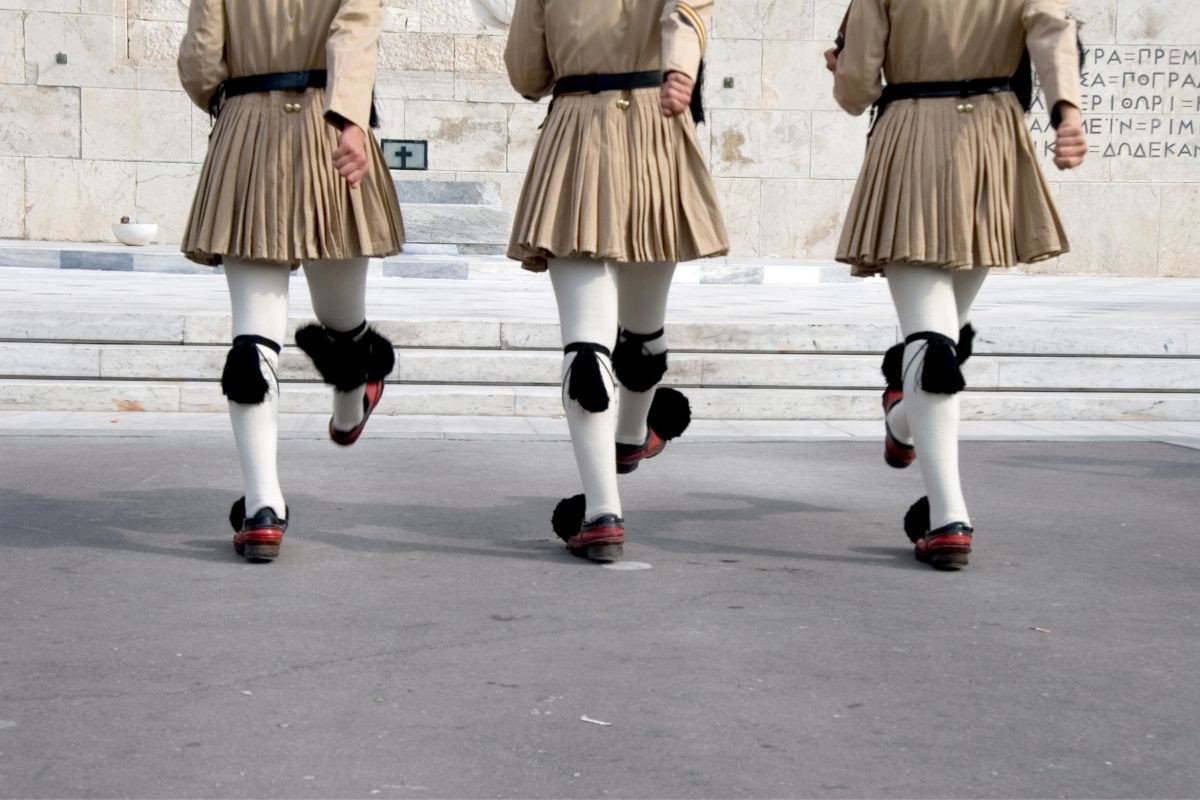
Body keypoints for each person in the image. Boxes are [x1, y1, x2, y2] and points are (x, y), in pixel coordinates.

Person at [826, 0, 1088, 570]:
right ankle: (916, 449)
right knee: (937, 340)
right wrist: (1067, 112)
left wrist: (843, 66)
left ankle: (945, 517)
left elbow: (855, 91)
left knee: (932, 343)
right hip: (991, 143)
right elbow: (1051, 32)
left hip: (913, 137)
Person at [178, 0, 405, 562]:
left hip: (246, 135)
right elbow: (354, 34)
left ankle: (262, 508)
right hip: (333, 133)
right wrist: (350, 116)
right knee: (343, 322)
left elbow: (201, 59)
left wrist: (232, 102)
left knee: (253, 339)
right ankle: (351, 405)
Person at [505, 0, 729, 563]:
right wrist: (680, 68)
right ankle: (630, 437)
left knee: (586, 345)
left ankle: (603, 513)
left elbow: (527, 74)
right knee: (643, 325)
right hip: (656, 134)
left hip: (577, 135)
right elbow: (687, 12)